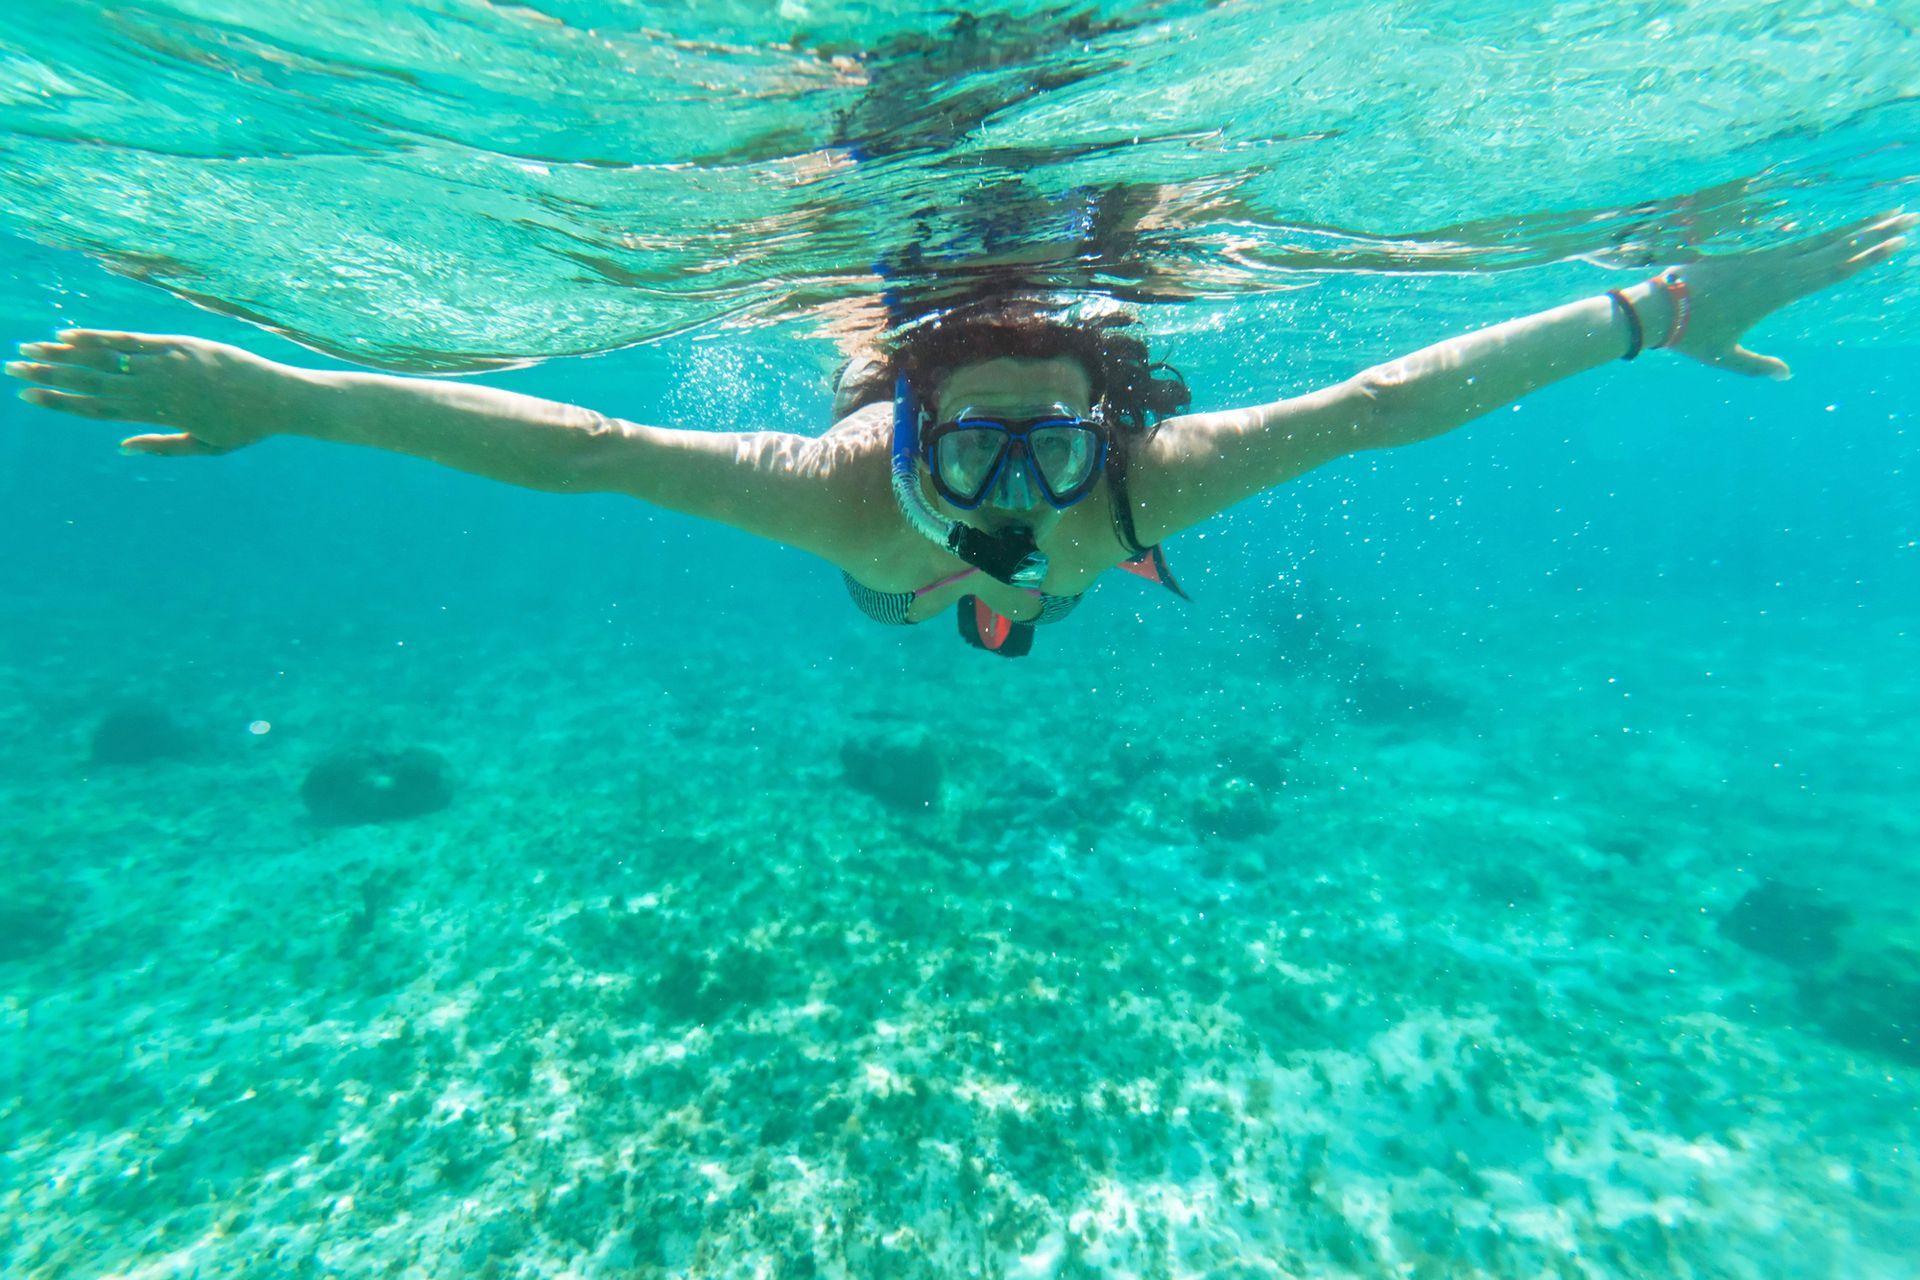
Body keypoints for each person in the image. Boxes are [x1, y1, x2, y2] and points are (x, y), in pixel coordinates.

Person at [7, 212, 1911, 656]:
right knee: (920, 595)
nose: (1019, 481)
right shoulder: (895, 490)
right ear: (900, 413)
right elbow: (569, 446)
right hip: (926, 497)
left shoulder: (1036, 490)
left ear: (1104, 420)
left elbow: (1383, 403)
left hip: (919, 571)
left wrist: (1664, 309)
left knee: (928, 600)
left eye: (1048, 448)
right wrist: (1644, 314)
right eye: (982, 451)